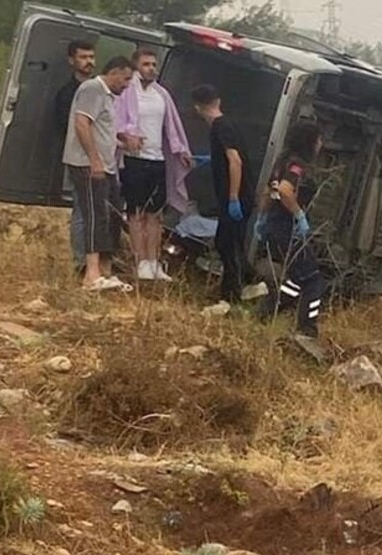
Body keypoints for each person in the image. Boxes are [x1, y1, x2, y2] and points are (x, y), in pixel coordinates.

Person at [115, 47, 194, 282]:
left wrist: (181, 150)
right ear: (136, 66)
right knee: (136, 213)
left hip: (157, 159)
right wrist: (126, 137)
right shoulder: (127, 93)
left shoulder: (162, 95)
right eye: (146, 64)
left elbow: (172, 127)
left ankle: (154, 262)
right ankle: (140, 262)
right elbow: (117, 122)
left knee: (155, 215)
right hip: (135, 159)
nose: (151, 68)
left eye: (153, 64)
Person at [63, 56, 135, 291]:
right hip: (87, 164)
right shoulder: (92, 89)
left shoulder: (109, 97)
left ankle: (105, 270)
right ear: (114, 72)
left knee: (112, 214)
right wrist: (94, 160)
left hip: (107, 165)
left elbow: (102, 129)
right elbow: (82, 123)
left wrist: (121, 142)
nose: (126, 85)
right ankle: (90, 274)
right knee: (94, 214)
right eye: (125, 79)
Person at [255, 122, 327, 338]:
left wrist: (262, 217)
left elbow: (269, 191)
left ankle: (266, 312)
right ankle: (307, 329)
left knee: (298, 277)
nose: (321, 144)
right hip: (288, 228)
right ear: (310, 142)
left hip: (274, 226)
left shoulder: (282, 161)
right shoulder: (297, 165)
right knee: (314, 280)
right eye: (319, 139)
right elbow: (286, 191)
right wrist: (299, 215)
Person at [191, 84, 254, 304]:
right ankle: (248, 285)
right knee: (226, 241)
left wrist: (233, 197)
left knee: (228, 244)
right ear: (218, 101)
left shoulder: (220, 126)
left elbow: (235, 161)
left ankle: (232, 295)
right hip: (238, 195)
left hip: (236, 197)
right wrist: (209, 159)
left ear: (197, 107)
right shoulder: (227, 124)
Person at [54, 38, 97, 269]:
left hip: (103, 161)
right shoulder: (66, 94)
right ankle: (80, 262)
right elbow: (65, 129)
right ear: (72, 60)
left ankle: (100, 261)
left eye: (91, 57)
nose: (89, 62)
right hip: (78, 160)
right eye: (83, 57)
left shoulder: (101, 90)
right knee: (81, 209)